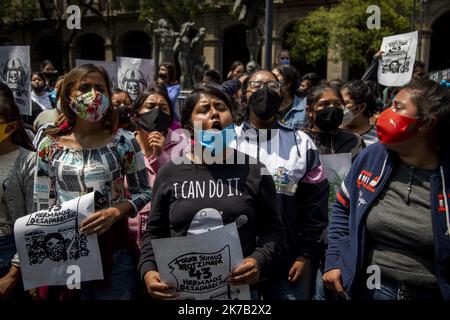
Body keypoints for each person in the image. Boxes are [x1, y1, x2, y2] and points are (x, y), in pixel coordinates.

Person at [138, 85, 284, 300]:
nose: (214, 113)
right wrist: (148, 272)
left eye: (221, 108)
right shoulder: (169, 173)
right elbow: (154, 232)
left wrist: (258, 261)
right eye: (204, 109)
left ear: (232, 119)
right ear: (189, 125)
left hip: (239, 296)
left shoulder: (254, 170)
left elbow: (274, 229)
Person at [323, 78, 450, 300]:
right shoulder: (372, 156)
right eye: (390, 105)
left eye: (398, 108)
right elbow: (343, 210)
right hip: (371, 288)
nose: (385, 114)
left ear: (426, 123)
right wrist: (335, 259)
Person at [34, 64, 152, 300]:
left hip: (115, 253)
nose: (93, 94)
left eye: (100, 88)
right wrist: (39, 268)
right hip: (66, 254)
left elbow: (145, 191)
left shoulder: (124, 141)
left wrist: (117, 211)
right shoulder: (50, 145)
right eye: (84, 87)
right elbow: (41, 205)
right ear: (69, 96)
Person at [230, 70, 329, 300]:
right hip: (236, 264)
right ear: (243, 95)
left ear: (282, 94)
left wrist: (305, 254)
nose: (264, 91)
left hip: (287, 263)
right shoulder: (226, 140)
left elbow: (315, 205)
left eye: (272, 86)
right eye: (256, 85)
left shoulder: (302, 143)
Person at [129, 85, 188, 248]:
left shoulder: (183, 143)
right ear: (136, 116)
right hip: (130, 243)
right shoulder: (124, 145)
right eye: (150, 107)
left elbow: (183, 185)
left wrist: (161, 155)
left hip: (168, 238)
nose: (157, 112)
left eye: (163, 108)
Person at [0, 95, 35, 300]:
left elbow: (34, 221)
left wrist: (14, 273)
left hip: (10, 255)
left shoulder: (28, 162)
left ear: (12, 126)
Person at [304, 82, 365, 160]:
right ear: (309, 111)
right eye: (325, 104)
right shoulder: (300, 141)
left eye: (337, 104)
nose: (332, 108)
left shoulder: (354, 140)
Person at [340, 80, 379, 146]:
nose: (340, 107)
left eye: (344, 103)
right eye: (338, 103)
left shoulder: (379, 137)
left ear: (361, 107)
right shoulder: (332, 133)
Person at [272, 64, 306, 129]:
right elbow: (262, 137)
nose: (271, 83)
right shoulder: (266, 107)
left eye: (275, 78)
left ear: (288, 83)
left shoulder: (304, 107)